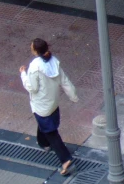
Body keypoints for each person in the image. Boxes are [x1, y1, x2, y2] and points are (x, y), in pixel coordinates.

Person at [20, 38, 79, 176]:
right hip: (53, 102)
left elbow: (32, 88)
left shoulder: (35, 67)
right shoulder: (54, 62)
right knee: (45, 126)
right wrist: (73, 96)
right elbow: (65, 81)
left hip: (41, 104)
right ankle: (43, 143)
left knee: (51, 132)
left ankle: (66, 160)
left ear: (35, 50)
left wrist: (23, 74)